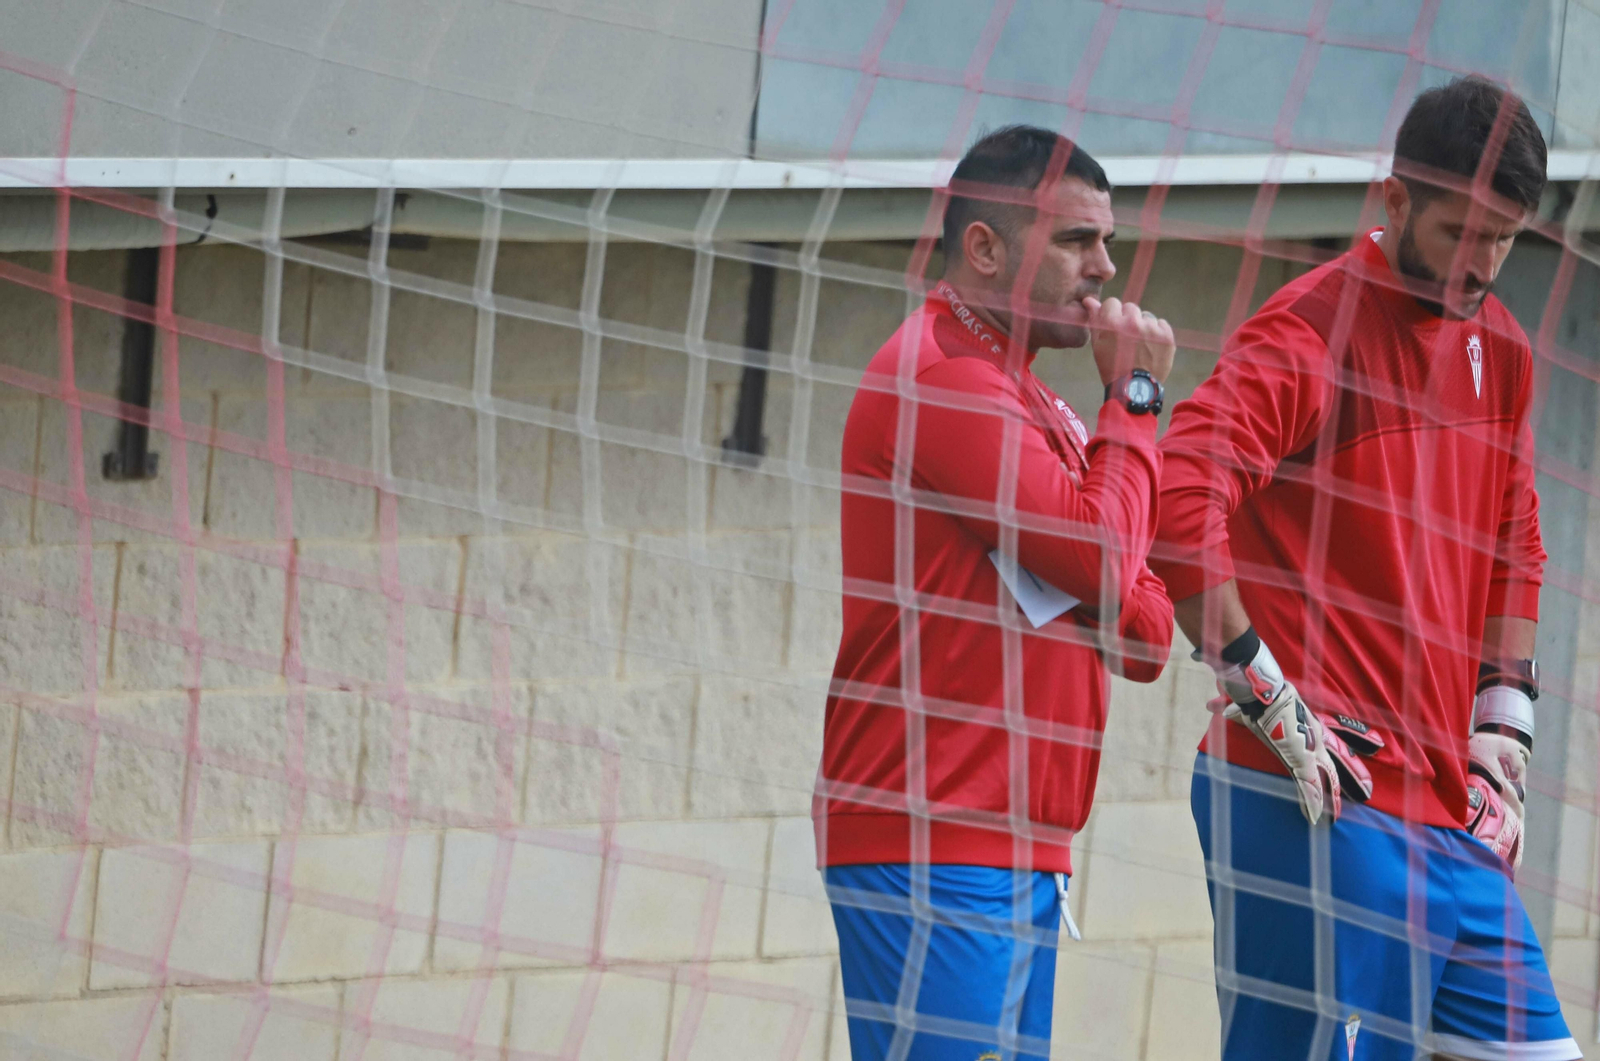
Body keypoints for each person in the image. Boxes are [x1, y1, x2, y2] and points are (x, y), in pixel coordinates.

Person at [1153, 76, 1579, 1060]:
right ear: (1393, 203)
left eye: (1502, 239)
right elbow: (1180, 503)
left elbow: (1516, 540)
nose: (1479, 264)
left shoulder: (1501, 348)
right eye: (1459, 232)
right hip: (1315, 801)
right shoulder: (1306, 334)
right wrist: (1261, 688)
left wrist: (1499, 734)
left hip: (1446, 816)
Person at [813, 124, 1177, 1061]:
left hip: (1024, 849)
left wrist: (1107, 535)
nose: (1105, 266)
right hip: (937, 840)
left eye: (1106, 240)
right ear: (984, 247)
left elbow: (1142, 634)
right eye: (1074, 240)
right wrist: (1136, 398)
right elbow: (1105, 567)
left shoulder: (1038, 401)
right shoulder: (947, 376)